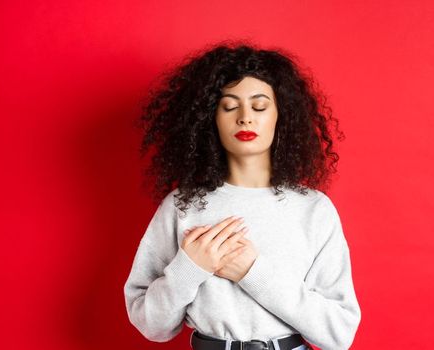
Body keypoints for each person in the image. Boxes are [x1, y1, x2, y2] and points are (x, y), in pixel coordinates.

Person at [124, 40, 361, 350]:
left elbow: (339, 334)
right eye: (229, 106)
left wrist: (252, 272)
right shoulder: (182, 206)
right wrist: (189, 268)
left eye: (260, 106)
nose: (245, 117)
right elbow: (152, 326)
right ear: (211, 118)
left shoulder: (314, 209)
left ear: (281, 116)